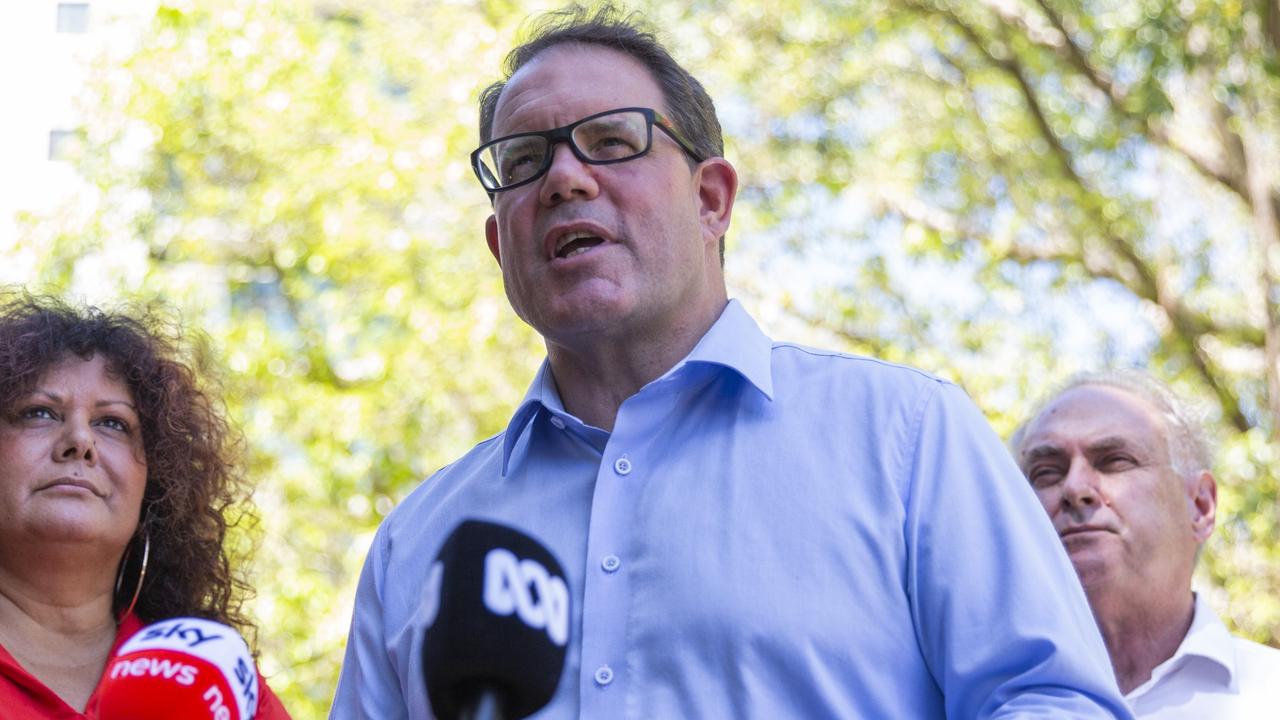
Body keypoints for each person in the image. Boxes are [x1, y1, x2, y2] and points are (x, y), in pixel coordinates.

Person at [333, 5, 1131, 718]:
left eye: (611, 142)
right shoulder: (418, 544)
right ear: (499, 242)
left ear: (712, 200)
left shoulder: (906, 437)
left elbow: (1056, 701)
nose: (564, 179)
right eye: (523, 164)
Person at [0, 292, 291, 718]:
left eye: (112, 423)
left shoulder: (215, 679)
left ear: (156, 485)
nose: (81, 441)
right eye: (39, 413)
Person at [1013, 369, 1280, 716]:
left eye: (1115, 461)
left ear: (1199, 506)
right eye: (1047, 472)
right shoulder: (964, 703)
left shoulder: (1268, 693)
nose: (1075, 488)